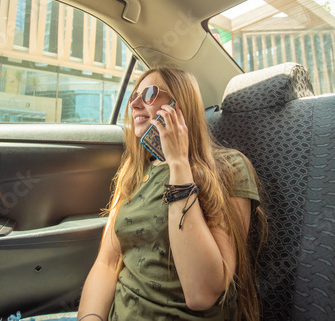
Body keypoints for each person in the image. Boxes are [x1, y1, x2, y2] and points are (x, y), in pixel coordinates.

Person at [77, 67, 267, 321]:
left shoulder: (228, 168)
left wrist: (178, 165)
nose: (134, 103)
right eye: (134, 96)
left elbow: (202, 293)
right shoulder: (134, 172)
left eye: (149, 94)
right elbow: (107, 264)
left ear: (179, 104)